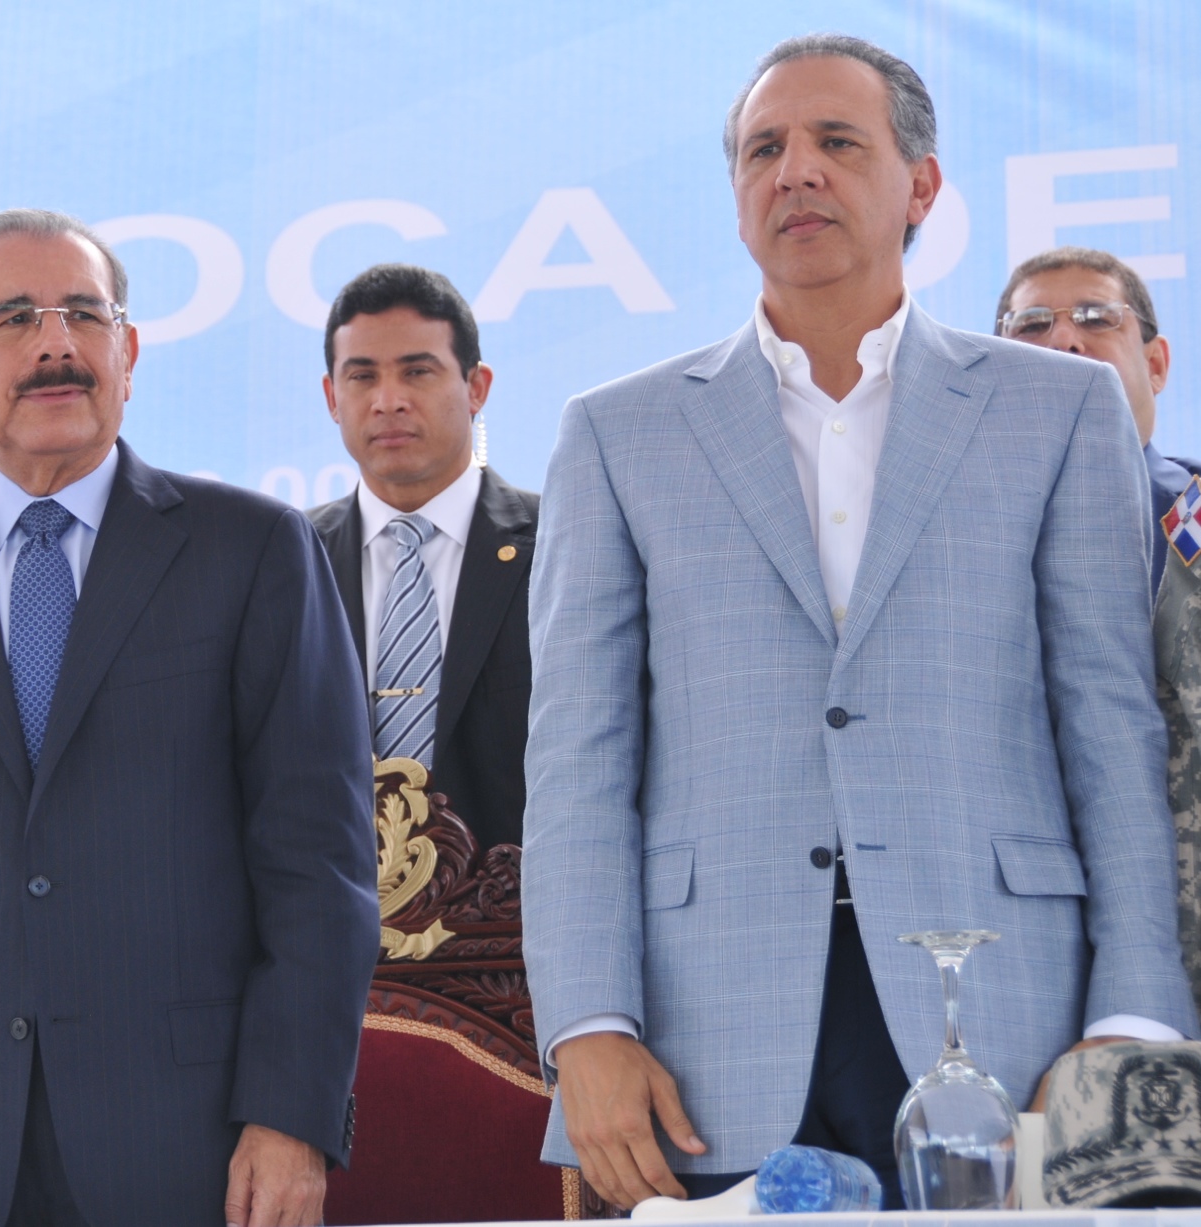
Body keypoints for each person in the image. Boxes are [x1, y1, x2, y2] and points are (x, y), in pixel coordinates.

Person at [523, 35, 1196, 1210]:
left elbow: (1107, 726)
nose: (796, 171)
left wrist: (1131, 1016)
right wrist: (587, 1024)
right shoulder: (616, 432)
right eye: (763, 150)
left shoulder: (1059, 410)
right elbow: (577, 759)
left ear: (920, 186)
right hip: (703, 1036)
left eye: (836, 141)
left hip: (1013, 1020)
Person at [0, 208, 380, 1227]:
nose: (56, 343)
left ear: (128, 355)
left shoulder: (253, 551)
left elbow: (318, 865)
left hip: (199, 1147)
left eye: (85, 315)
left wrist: (291, 1114)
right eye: (13, 317)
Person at [307, 264, 538, 849]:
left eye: (417, 371)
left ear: (476, 387)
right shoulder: (287, 559)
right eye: (362, 376)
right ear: (332, 397)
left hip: (523, 898)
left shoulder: (563, 541)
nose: (388, 401)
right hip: (337, 900)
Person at [995, 247, 1192, 592]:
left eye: (1096, 319)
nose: (1062, 341)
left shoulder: (1194, 508)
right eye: (1032, 324)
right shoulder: (952, 523)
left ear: (1155, 366)